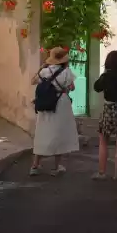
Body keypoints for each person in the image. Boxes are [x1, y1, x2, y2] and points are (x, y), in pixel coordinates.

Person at [30, 47, 79, 176]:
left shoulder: (44, 71)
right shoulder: (67, 72)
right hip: (60, 103)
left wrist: (42, 68)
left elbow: (32, 81)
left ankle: (35, 165)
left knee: (42, 132)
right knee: (59, 133)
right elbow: (72, 88)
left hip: (45, 104)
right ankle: (56, 167)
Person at [92, 50, 117, 181]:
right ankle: (116, 174)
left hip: (108, 110)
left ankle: (102, 172)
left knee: (103, 141)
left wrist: (104, 75)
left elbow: (96, 87)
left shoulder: (106, 76)